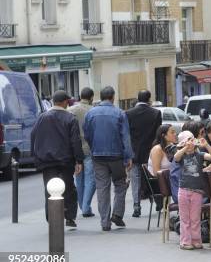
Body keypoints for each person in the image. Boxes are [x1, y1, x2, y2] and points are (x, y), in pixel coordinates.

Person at [84, 86, 134, 231]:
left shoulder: (91, 113)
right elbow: (125, 137)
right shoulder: (119, 113)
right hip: (116, 156)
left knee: (102, 188)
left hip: (98, 156)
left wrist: (94, 147)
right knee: (120, 184)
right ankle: (117, 214)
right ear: (113, 97)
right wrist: (128, 157)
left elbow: (87, 134)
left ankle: (105, 222)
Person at [31, 90, 84, 227]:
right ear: (65, 102)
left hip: (47, 161)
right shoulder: (70, 118)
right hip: (65, 160)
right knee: (68, 188)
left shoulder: (42, 117)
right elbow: (75, 141)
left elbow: (33, 136)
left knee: (49, 189)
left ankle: (52, 218)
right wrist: (79, 160)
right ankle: (69, 216)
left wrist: (36, 156)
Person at [125, 90, 162, 217]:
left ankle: (136, 206)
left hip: (134, 152)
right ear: (149, 99)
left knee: (135, 179)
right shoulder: (156, 113)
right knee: (153, 177)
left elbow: (127, 135)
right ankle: (158, 201)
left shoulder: (129, 113)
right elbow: (158, 134)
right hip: (151, 152)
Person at [173, 131, 206, 250]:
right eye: (188, 140)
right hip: (183, 190)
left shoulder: (199, 155)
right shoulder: (181, 156)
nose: (191, 143)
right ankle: (185, 241)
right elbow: (176, 157)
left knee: (195, 217)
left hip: (197, 191)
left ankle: (196, 240)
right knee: (184, 218)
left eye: (192, 140)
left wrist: (206, 145)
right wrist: (184, 147)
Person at [68, 87, 96, 218]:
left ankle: (82, 205)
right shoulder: (93, 111)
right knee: (90, 179)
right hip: (90, 148)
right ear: (91, 97)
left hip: (75, 150)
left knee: (78, 178)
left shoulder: (70, 110)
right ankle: (86, 207)